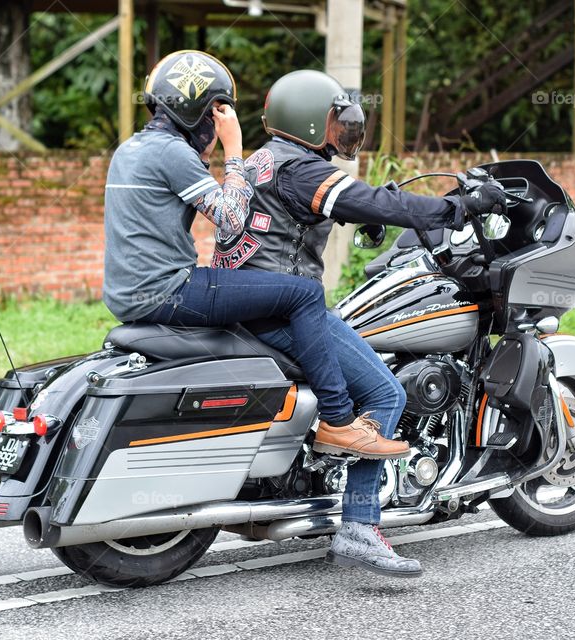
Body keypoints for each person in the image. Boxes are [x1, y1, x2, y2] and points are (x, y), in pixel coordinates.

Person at [212, 69, 506, 578]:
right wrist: (454, 208)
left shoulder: (266, 159)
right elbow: (373, 200)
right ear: (308, 121)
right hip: (285, 310)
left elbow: (325, 206)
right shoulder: (301, 169)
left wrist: (361, 211)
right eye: (334, 120)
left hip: (248, 303)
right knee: (387, 394)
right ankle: (360, 527)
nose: (342, 131)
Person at [103, 51, 411, 459]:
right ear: (204, 113)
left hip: (127, 294)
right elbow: (231, 219)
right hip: (170, 291)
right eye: (219, 113)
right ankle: (339, 421)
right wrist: (234, 150)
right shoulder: (171, 154)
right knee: (303, 293)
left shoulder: (131, 150)